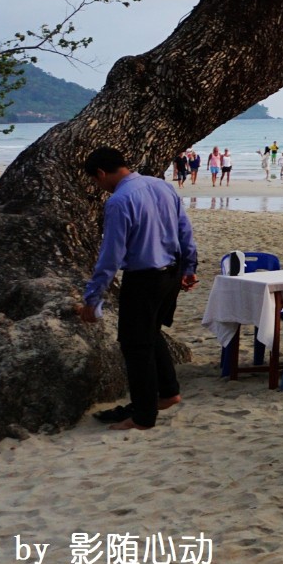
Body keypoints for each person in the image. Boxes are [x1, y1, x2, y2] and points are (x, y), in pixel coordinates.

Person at [75, 146, 197, 432]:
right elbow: (185, 231)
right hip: (172, 273)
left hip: (144, 278)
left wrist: (93, 298)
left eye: (96, 181)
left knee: (135, 345)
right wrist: (190, 269)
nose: (99, 187)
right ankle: (168, 392)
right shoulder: (162, 187)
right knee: (151, 333)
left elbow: (111, 255)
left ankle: (143, 415)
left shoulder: (119, 200)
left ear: (102, 173)